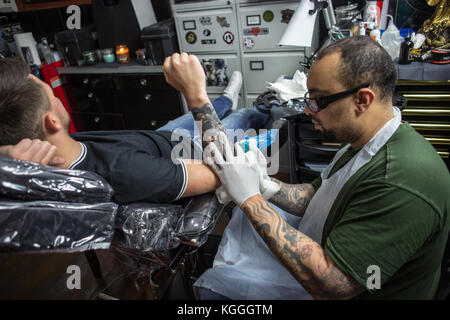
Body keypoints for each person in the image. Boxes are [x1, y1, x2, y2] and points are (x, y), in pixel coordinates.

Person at [166, 36, 450, 300]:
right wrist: (267, 186)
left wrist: (252, 200)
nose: (307, 110)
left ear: (362, 100)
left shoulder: (400, 181)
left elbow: (334, 284)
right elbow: (320, 196)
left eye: (318, 100)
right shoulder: (367, 140)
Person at [0, 57, 271, 204]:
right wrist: (196, 92)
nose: (59, 99)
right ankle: (260, 108)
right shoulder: (127, 172)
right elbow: (226, 171)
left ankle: (225, 99)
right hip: (193, 149)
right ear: (52, 122)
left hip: (155, 140)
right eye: (53, 96)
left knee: (217, 106)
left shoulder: (54, 147)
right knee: (245, 115)